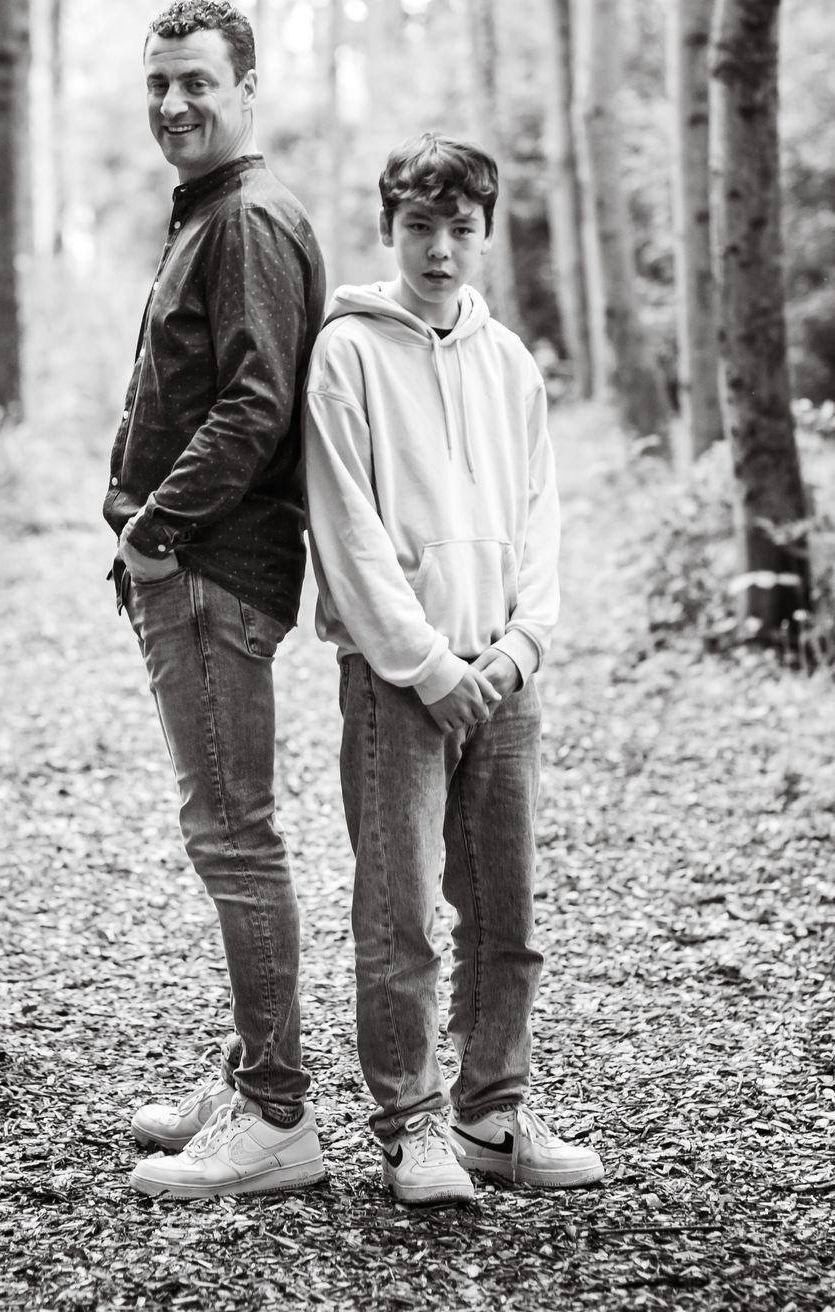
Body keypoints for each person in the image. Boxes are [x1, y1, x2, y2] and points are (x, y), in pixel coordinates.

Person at [302, 134, 605, 1206]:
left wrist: (521, 646)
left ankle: (491, 1115)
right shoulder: (346, 355)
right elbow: (347, 533)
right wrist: (429, 668)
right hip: (399, 686)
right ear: (389, 228)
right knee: (399, 919)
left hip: (505, 680)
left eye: (459, 229)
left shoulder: (509, 360)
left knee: (506, 916)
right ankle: (412, 1127)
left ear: (482, 233)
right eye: (419, 228)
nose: (439, 251)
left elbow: (539, 517)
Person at [105, 0, 327, 1201]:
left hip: (211, 576)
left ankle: (278, 1118)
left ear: (248, 87)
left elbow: (253, 407)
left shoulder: (244, 220)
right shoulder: (210, 213)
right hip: (194, 574)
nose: (174, 104)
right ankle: (250, 1074)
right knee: (227, 832)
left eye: (195, 81)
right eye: (158, 85)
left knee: (234, 838)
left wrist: (152, 532)